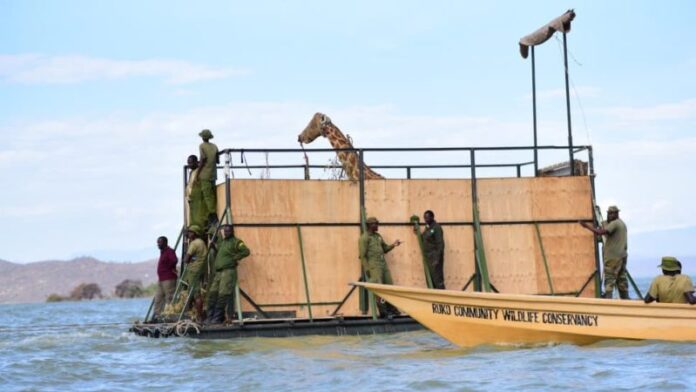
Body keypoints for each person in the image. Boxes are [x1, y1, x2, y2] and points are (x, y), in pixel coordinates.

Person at [580, 205, 629, 299]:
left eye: (610, 214)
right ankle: (626, 302)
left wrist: (587, 226)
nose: (608, 215)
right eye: (608, 213)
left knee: (609, 281)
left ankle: (608, 303)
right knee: (621, 281)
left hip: (613, 259)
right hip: (622, 257)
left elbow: (601, 232)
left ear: (616, 214)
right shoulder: (621, 224)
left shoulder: (615, 223)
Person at [205, 225, 251, 324]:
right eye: (225, 231)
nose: (226, 233)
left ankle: (216, 318)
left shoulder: (236, 242)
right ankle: (210, 317)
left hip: (228, 271)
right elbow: (222, 254)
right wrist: (214, 247)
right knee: (212, 293)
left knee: (223, 295)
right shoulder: (223, 242)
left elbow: (246, 251)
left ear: (232, 231)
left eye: (228, 231)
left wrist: (236, 257)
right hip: (218, 272)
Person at [359, 216, 402, 316]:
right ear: (370, 225)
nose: (377, 225)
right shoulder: (364, 238)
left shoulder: (378, 236)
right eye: (375, 224)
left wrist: (394, 245)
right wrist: (367, 269)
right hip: (374, 267)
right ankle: (384, 311)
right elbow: (363, 255)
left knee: (389, 287)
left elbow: (385, 249)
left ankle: (392, 308)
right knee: (380, 290)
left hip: (383, 265)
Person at [198, 129, 219, 227]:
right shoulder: (214, 146)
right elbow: (217, 160)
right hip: (213, 174)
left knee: (207, 196)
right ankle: (212, 215)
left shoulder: (202, 146)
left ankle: (212, 216)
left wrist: (198, 172)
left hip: (205, 174)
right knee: (213, 195)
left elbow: (203, 159)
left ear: (203, 137)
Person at [152, 236, 178, 319]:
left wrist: (169, 268)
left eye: (160, 242)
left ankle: (171, 316)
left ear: (165, 243)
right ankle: (157, 315)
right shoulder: (163, 252)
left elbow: (174, 260)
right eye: (157, 243)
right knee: (158, 297)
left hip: (169, 279)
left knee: (169, 298)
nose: (158, 244)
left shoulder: (169, 251)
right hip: (161, 279)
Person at [422, 210, 445, 289]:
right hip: (428, 259)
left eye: (427, 218)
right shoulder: (427, 228)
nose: (425, 219)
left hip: (434, 258)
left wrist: (437, 259)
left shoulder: (436, 228)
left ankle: (443, 300)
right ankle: (434, 300)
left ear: (432, 217)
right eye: (424, 218)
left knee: (438, 280)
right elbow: (424, 238)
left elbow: (440, 244)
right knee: (430, 281)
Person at [186, 155, 207, 229]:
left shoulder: (199, 171)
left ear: (196, 162)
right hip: (191, 200)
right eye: (188, 163)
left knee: (199, 220)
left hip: (199, 200)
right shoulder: (191, 172)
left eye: (191, 163)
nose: (189, 165)